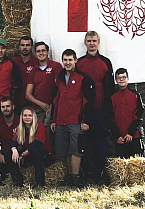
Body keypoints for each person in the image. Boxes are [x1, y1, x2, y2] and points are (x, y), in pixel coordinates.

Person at [50, 49, 95, 188]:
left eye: (70, 60)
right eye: (65, 60)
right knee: (64, 150)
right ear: (62, 61)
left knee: (76, 150)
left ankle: (75, 177)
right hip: (60, 121)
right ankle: (69, 176)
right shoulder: (59, 78)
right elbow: (55, 101)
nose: (68, 63)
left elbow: (89, 101)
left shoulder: (83, 78)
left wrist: (85, 120)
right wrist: (53, 120)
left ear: (76, 60)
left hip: (76, 120)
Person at [76, 31, 114, 183]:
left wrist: (108, 112)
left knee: (101, 142)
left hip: (100, 110)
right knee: (84, 143)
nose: (91, 43)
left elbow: (109, 89)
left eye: (94, 41)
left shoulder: (106, 62)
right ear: (85, 43)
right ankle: (85, 174)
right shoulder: (79, 63)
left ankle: (102, 173)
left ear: (98, 42)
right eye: (89, 41)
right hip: (83, 111)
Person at [7, 107, 55, 188]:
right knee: (8, 153)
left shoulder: (39, 125)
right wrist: (14, 151)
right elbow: (13, 143)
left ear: (34, 117)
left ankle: (40, 182)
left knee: (35, 151)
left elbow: (37, 144)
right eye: (25, 115)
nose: (27, 117)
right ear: (22, 117)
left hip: (44, 156)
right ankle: (18, 181)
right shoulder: (20, 128)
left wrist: (22, 155)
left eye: (30, 115)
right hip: (29, 155)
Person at [25, 42, 62, 145]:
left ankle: (52, 157)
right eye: (38, 51)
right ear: (35, 54)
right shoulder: (33, 70)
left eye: (43, 50)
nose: (41, 53)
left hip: (53, 107)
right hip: (37, 108)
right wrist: (41, 104)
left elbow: (60, 89)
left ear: (47, 52)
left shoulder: (56, 66)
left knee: (50, 131)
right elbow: (28, 94)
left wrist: (52, 105)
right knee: (37, 133)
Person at [106, 68, 144, 158]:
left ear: (128, 78)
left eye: (124, 77)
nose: (121, 80)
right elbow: (109, 117)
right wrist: (117, 135)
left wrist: (131, 133)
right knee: (122, 162)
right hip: (119, 138)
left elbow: (139, 115)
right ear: (116, 80)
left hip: (133, 136)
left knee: (136, 163)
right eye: (119, 78)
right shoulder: (111, 97)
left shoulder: (135, 95)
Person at [12, 36, 35, 110]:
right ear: (19, 47)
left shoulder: (37, 63)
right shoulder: (13, 63)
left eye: (27, 45)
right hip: (16, 103)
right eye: (22, 45)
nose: (25, 47)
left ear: (32, 47)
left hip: (32, 103)